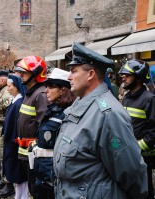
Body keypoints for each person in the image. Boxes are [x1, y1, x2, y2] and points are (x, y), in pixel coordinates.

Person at [53, 43, 148, 199]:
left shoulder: (108, 114)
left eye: (73, 71)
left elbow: (131, 171)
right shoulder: (80, 104)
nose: (68, 77)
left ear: (90, 74)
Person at [30, 68, 75, 199]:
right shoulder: (53, 109)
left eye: (51, 86)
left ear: (63, 90)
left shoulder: (68, 113)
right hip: (43, 176)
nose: (46, 90)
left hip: (54, 180)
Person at [119, 59, 155, 199]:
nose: (123, 77)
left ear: (139, 77)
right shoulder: (127, 97)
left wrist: (135, 149)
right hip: (126, 155)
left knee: (144, 193)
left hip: (143, 159)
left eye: (127, 75)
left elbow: (153, 133)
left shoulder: (150, 99)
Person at [14, 56, 49, 197]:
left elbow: (44, 126)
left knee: (36, 188)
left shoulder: (40, 94)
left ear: (36, 74)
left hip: (34, 154)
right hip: (25, 152)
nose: (20, 75)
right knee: (31, 185)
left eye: (24, 72)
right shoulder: (30, 93)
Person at [2, 74, 28, 199]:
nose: (8, 89)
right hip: (10, 143)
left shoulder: (19, 103)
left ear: (16, 87)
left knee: (18, 175)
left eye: (9, 86)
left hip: (14, 144)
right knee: (14, 173)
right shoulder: (15, 101)